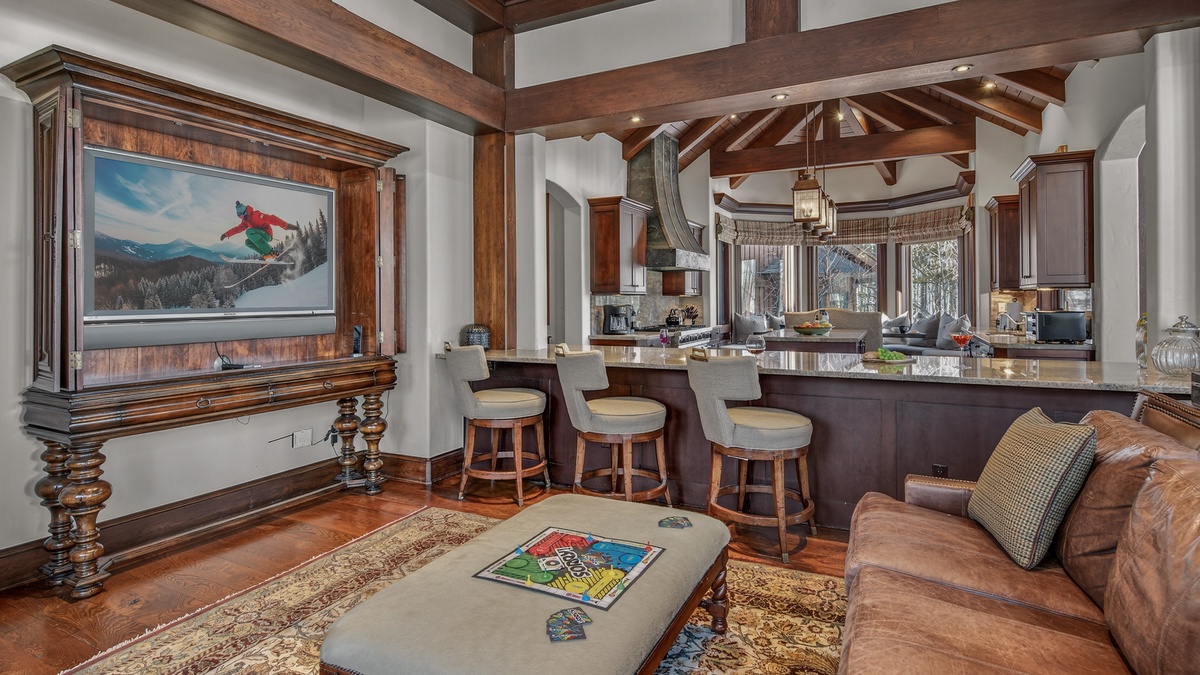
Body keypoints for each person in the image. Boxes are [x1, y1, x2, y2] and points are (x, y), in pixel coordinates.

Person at [220, 201, 298, 260]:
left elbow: (272, 219)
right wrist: (226, 234)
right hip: (260, 235)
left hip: (267, 235)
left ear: (245, 212)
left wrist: (286, 225)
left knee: (249, 231)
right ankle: (265, 254)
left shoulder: (256, 215)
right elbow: (237, 229)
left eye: (241, 216)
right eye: (239, 217)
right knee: (247, 242)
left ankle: (271, 252)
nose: (241, 218)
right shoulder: (245, 221)